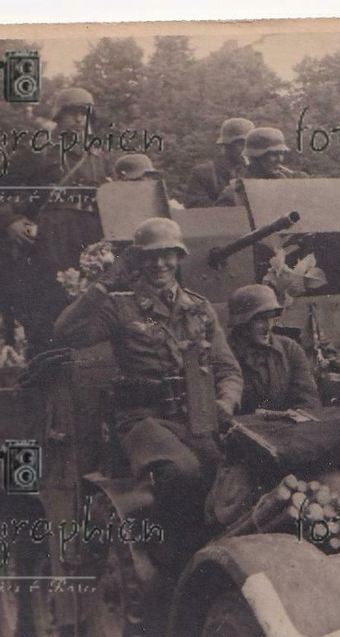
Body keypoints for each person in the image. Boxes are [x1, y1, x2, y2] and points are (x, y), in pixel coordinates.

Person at [53, 217, 243, 532]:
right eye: (150, 256)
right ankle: (165, 547)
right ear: (138, 261)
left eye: (167, 254)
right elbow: (65, 332)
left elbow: (227, 368)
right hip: (141, 419)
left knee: (223, 470)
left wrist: (227, 400)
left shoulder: (198, 307)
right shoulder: (120, 306)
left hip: (194, 418)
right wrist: (103, 285)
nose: (159, 264)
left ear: (179, 257)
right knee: (182, 471)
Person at [0, 87, 113, 350]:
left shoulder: (101, 157)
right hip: (54, 232)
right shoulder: (38, 151)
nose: (79, 120)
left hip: (94, 233)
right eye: (72, 113)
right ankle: (51, 359)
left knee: (95, 297)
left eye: (85, 114)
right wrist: (11, 221)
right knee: (53, 297)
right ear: (59, 117)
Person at [226, 284, 320, 413]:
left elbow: (308, 401)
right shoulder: (224, 355)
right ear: (242, 323)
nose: (268, 327)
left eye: (271, 318)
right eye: (260, 320)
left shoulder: (289, 349)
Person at [215, 127, 308, 206]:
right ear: (255, 157)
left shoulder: (292, 181)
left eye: (282, 153)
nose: (280, 159)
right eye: (273, 154)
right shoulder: (235, 193)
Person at [183, 117, 254, 208]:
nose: (245, 150)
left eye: (249, 145)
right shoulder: (204, 173)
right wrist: (227, 199)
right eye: (241, 144)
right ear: (226, 145)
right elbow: (195, 209)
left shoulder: (253, 172)